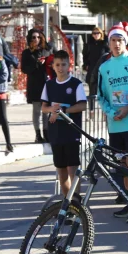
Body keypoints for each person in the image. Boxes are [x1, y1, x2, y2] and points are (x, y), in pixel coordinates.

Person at [97, 23, 128, 223]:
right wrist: (110, 112)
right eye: (113, 40)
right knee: (122, 166)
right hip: (115, 123)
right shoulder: (104, 67)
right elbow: (101, 96)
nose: (117, 44)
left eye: (120, 40)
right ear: (108, 43)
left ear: (125, 42)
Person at [41, 50, 87, 199]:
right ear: (53, 66)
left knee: (72, 169)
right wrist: (52, 110)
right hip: (56, 133)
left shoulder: (76, 84)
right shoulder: (49, 85)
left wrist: (64, 110)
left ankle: (77, 200)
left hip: (71, 132)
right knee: (61, 170)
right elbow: (44, 107)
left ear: (69, 65)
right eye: (57, 65)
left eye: (63, 64)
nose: (60, 68)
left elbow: (82, 105)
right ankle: (67, 202)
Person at [21, 28, 53, 143]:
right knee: (36, 110)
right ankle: (37, 134)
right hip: (34, 84)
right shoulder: (27, 53)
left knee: (46, 110)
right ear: (30, 39)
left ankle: (46, 132)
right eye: (33, 37)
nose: (36, 39)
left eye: (38, 37)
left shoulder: (47, 50)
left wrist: (48, 63)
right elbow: (24, 69)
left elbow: (53, 63)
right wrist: (36, 64)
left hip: (46, 83)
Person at [83, 26, 109, 97]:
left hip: (102, 68)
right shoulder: (89, 44)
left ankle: (103, 106)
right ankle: (91, 107)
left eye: (98, 33)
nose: (96, 35)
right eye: (94, 33)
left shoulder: (104, 44)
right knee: (92, 90)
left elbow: (108, 55)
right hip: (92, 68)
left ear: (101, 34)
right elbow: (85, 56)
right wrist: (86, 65)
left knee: (103, 89)